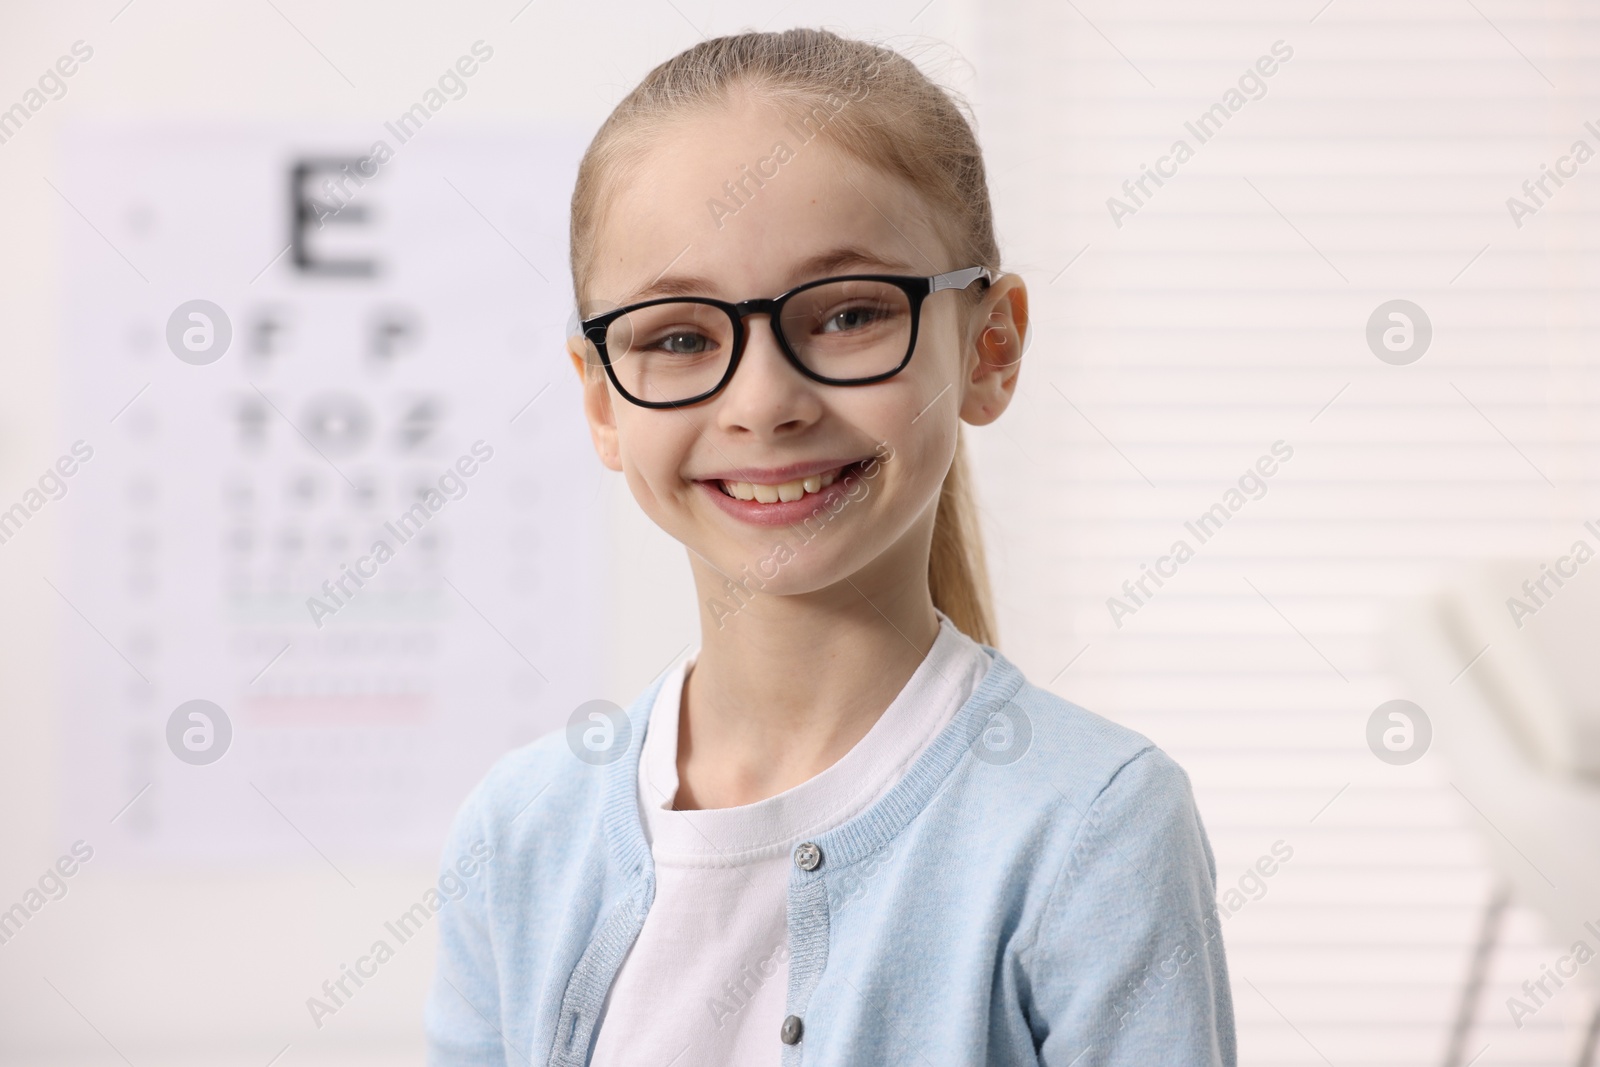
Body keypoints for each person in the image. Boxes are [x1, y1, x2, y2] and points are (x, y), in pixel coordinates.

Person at [425, 27, 1235, 1066]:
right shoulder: (519, 832)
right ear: (600, 402)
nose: (762, 403)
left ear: (990, 348)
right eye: (678, 336)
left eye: (848, 313)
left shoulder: (1095, 820)